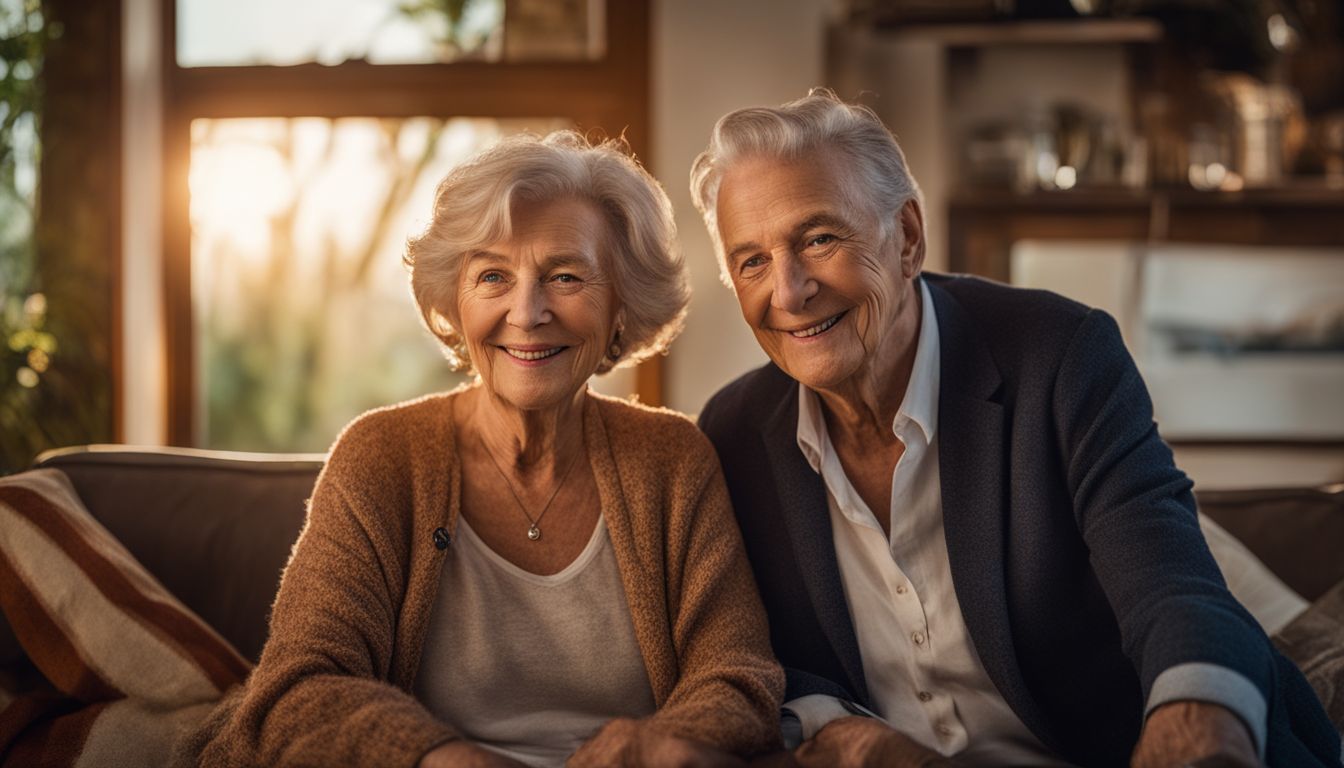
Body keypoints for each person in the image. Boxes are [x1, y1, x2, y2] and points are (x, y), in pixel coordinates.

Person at [691, 90, 1338, 767]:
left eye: (819, 238)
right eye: (752, 261)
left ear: (908, 236)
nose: (789, 292)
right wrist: (840, 731)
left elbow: (1171, 587)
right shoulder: (734, 433)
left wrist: (1196, 721)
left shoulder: (1060, 357)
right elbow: (762, 654)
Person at [186, 131, 783, 767]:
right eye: (493, 276)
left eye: (565, 275)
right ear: (453, 300)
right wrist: (443, 758)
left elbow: (739, 674)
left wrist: (662, 744)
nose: (527, 312)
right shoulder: (382, 456)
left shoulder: (672, 459)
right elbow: (301, 688)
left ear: (621, 306)